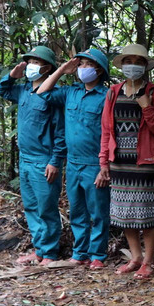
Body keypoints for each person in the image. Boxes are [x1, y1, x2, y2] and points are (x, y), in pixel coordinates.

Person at [36, 48, 112, 269]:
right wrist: (61, 70)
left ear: (99, 71)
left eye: (88, 65)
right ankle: (80, 253)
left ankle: (98, 255)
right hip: (73, 163)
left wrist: (104, 166)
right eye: (81, 65)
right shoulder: (70, 92)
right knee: (77, 210)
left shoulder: (107, 96)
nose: (82, 69)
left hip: (95, 164)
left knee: (98, 212)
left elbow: (111, 132)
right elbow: (42, 92)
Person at [99, 44, 154, 278]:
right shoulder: (113, 92)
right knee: (123, 213)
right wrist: (104, 162)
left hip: (145, 163)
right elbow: (106, 130)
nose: (133, 65)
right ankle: (135, 256)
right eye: (129, 61)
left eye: (138, 61)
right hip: (120, 162)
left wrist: (146, 107)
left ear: (145, 66)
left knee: (146, 214)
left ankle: (148, 261)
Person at [0, 46, 65, 266]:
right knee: (32, 208)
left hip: (44, 160)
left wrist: (55, 161)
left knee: (47, 207)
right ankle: (39, 250)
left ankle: (51, 252)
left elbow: (61, 132)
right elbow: (3, 91)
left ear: (47, 68)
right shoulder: (23, 90)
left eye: (37, 61)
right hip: (25, 160)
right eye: (30, 60)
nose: (31, 65)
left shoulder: (52, 96)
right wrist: (11, 76)